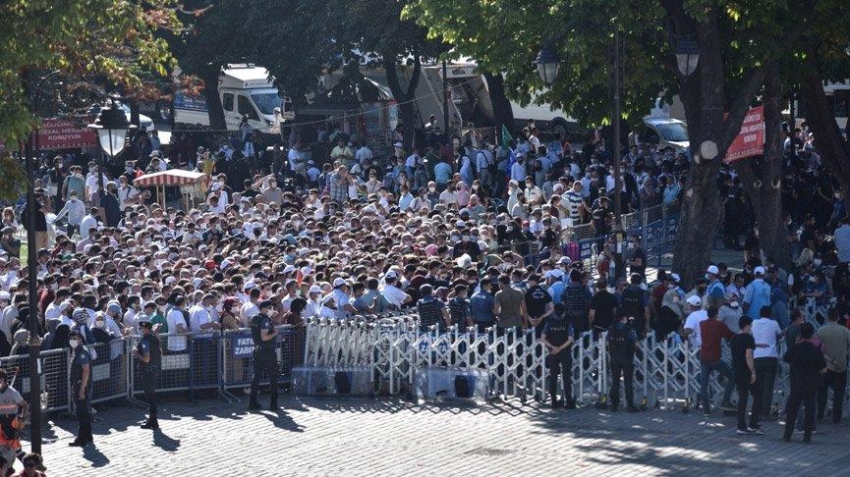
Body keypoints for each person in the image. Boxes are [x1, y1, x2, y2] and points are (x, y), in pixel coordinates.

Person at [783, 323, 827, 443]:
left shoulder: (795, 348)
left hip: (796, 383)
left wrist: (795, 344)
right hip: (812, 384)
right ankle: (807, 436)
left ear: (800, 335)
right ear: (812, 334)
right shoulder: (815, 350)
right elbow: (823, 368)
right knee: (810, 410)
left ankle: (787, 435)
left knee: (793, 410)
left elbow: (785, 358)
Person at [697, 306, 736, 415]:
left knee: (704, 385)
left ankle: (706, 411)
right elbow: (730, 334)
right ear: (716, 315)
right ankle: (726, 400)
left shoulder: (702, 324)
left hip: (703, 356)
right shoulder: (719, 325)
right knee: (732, 376)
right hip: (714, 357)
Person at [815, 308, 850, 425]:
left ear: (827, 317)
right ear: (838, 317)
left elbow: (817, 349)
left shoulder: (821, 331)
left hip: (825, 365)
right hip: (841, 365)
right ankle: (836, 419)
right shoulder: (845, 331)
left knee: (822, 391)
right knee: (839, 393)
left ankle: (820, 414)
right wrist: (845, 353)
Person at [731, 316, 763, 435]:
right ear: (747, 325)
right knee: (758, 395)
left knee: (742, 397)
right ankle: (753, 423)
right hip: (746, 371)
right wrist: (753, 372)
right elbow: (748, 355)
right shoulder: (749, 338)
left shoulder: (734, 338)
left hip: (737, 370)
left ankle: (741, 425)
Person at [752, 306, 782, 421]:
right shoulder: (774, 323)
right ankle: (766, 412)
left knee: (758, 385)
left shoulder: (754, 322)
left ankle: (757, 410)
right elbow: (779, 335)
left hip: (757, 356)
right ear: (770, 314)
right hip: (770, 356)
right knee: (768, 386)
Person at [249, 300, 280, 411]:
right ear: (264, 308)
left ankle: (252, 402)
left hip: (257, 350)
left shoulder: (254, 318)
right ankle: (274, 404)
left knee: (256, 376)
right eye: (269, 308)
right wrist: (275, 333)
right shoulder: (265, 320)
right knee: (273, 377)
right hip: (268, 351)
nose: (271, 310)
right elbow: (264, 337)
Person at [540, 312, 575, 409]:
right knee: (566, 377)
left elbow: (542, 338)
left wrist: (553, 347)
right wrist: (560, 348)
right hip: (565, 353)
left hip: (553, 353)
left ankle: (553, 401)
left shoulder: (549, 323)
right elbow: (570, 339)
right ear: (564, 312)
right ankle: (569, 402)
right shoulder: (567, 323)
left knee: (553, 376)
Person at [134, 317, 162, 429]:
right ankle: (152, 418)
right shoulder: (154, 338)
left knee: (150, 396)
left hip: (148, 370)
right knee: (151, 394)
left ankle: (153, 420)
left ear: (144, 328)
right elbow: (160, 352)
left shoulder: (145, 340)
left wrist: (136, 353)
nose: (140, 329)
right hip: (154, 369)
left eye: (141, 328)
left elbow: (146, 359)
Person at [607, 314, 639, 413]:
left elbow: (607, 344)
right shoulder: (630, 330)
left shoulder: (611, 329)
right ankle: (630, 405)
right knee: (628, 382)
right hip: (627, 358)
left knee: (615, 381)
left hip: (614, 358)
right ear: (623, 319)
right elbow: (636, 345)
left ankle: (614, 405)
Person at [0, 368, 28, 475]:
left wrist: (22, 419)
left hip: (11, 423)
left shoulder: (13, 393)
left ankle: (9, 469)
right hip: (1, 424)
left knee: (12, 449)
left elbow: (25, 406)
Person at [68, 329, 93, 447]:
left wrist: (82, 388)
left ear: (81, 339)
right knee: (84, 412)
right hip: (79, 385)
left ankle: (82, 438)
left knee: (81, 413)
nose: (73, 341)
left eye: (75, 339)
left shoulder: (82, 352)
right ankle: (88, 435)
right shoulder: (76, 351)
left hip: (81, 385)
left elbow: (86, 371)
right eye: (71, 339)